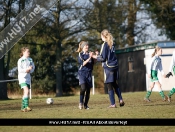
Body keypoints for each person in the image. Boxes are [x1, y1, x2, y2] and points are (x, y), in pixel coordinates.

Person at [92, 29, 125, 108]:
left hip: (108, 67)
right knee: (114, 83)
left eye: (101, 36)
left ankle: (113, 104)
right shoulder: (112, 43)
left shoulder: (104, 44)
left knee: (109, 85)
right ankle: (120, 99)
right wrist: (99, 54)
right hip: (115, 66)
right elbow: (107, 55)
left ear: (103, 36)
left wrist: (95, 56)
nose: (101, 38)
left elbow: (103, 58)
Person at [76, 41, 94, 109]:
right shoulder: (81, 55)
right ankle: (81, 102)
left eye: (87, 45)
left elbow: (93, 63)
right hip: (82, 73)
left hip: (89, 74)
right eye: (85, 45)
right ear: (82, 47)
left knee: (88, 91)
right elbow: (83, 64)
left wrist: (95, 56)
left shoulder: (90, 54)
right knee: (83, 88)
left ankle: (85, 105)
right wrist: (90, 57)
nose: (87, 47)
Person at [18, 47, 35, 112]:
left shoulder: (30, 59)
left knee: (25, 92)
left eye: (29, 51)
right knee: (27, 91)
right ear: (23, 52)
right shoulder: (20, 60)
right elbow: (19, 70)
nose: (29, 53)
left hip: (28, 78)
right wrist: (26, 70)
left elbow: (33, 68)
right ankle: (27, 106)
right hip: (22, 78)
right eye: (27, 51)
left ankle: (23, 108)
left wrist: (30, 70)